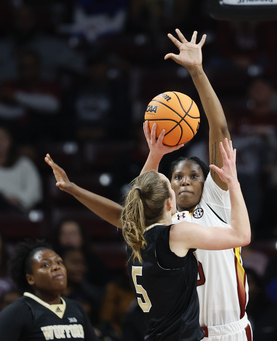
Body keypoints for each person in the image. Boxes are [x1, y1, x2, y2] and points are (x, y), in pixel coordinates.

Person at [45, 29, 254, 340]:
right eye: (177, 177)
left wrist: (197, 72)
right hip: (190, 333)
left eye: (193, 175)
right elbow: (126, 213)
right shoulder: (162, 226)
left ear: (208, 180)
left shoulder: (216, 201)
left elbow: (219, 128)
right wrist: (76, 189)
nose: (184, 181)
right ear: (168, 193)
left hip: (229, 330)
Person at [121, 137, 250, 340]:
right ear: (169, 203)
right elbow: (242, 235)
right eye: (172, 181)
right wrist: (233, 182)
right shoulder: (177, 234)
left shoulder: (134, 235)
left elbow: (141, 191)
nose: (182, 183)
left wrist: (155, 154)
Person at [0, 240, 98, 341]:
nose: (56, 267)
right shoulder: (15, 313)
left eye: (59, 262)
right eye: (45, 265)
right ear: (30, 278)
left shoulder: (76, 308)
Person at [50, 217, 113, 287]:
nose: (68, 238)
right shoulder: (51, 261)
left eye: (73, 234)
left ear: (82, 237)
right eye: (64, 234)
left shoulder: (95, 261)